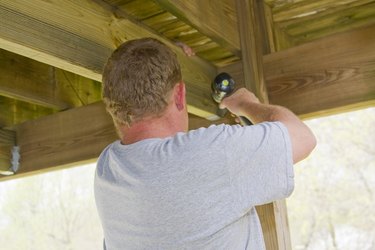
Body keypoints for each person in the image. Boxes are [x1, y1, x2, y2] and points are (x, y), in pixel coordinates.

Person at [94, 37, 316, 250]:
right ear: (180, 94)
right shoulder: (213, 152)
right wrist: (247, 104)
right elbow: (303, 138)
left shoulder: (108, 170)